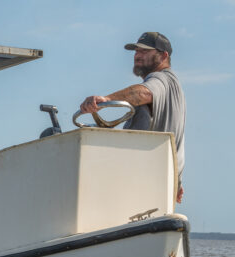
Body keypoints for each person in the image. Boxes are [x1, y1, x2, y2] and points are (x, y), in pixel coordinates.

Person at [79, 32, 186, 203]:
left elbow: (143, 93)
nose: (137, 55)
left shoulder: (161, 78)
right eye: (136, 51)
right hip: (161, 179)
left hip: (145, 179)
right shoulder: (173, 85)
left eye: (145, 51)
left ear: (164, 56)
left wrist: (106, 99)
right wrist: (177, 179)